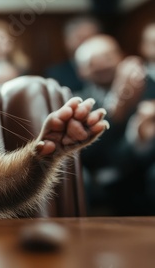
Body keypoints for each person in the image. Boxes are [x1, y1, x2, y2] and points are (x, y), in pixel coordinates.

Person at [75, 34, 154, 215]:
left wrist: (141, 138)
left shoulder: (148, 87)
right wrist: (117, 108)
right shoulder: (76, 101)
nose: (104, 65)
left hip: (141, 170)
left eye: (108, 57)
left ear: (121, 57)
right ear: (81, 71)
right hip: (101, 175)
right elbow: (87, 154)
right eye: (93, 62)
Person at [46, 16, 100, 93]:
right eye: (81, 38)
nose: (87, 44)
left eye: (92, 38)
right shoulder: (56, 74)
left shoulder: (109, 71)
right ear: (67, 42)